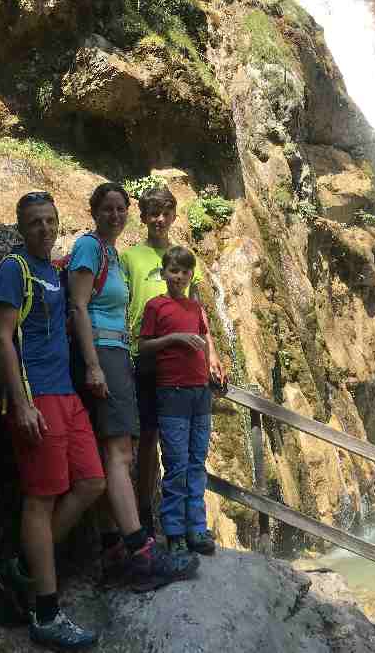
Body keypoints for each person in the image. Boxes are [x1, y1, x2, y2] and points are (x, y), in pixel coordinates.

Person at [69, 182, 199, 591]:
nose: (115, 215)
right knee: (121, 451)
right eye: (108, 208)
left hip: (117, 354)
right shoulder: (94, 248)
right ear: (95, 211)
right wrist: (93, 365)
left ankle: (115, 548)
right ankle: (141, 550)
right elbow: (78, 304)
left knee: (119, 452)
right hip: (106, 355)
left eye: (120, 208)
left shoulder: (107, 252)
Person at [0, 191, 105, 650]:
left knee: (92, 482)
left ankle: (22, 568)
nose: (44, 228)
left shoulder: (52, 271)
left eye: (50, 220)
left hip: (68, 395)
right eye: (35, 222)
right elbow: (3, 338)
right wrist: (21, 404)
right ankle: (46, 611)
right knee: (41, 499)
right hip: (37, 396)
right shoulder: (12, 270)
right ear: (22, 228)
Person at [119, 186, 224, 540]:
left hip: (184, 368)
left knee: (184, 450)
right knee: (148, 436)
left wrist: (213, 355)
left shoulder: (185, 259)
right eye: (152, 213)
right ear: (144, 217)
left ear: (174, 216)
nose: (159, 219)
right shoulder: (130, 257)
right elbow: (124, 301)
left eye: (165, 213)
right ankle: (145, 512)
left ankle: (186, 524)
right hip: (146, 356)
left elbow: (198, 313)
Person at [139, 246, 216, 556]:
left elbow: (204, 343)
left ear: (190, 275)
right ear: (164, 272)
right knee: (176, 464)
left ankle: (196, 528)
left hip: (200, 392)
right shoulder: (155, 306)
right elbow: (143, 346)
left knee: (197, 462)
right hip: (171, 391)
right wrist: (174, 339)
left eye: (185, 272)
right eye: (174, 271)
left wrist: (210, 371)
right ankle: (174, 531)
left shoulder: (195, 308)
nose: (179, 277)